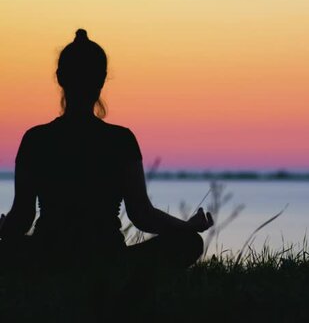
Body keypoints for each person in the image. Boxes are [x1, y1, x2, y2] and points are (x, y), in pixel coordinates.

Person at [0, 29, 213, 272]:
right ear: (101, 80)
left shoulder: (36, 139)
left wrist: (5, 232)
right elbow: (141, 215)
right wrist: (186, 227)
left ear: (60, 78)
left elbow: (22, 216)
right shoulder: (121, 140)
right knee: (189, 243)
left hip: (48, 259)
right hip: (110, 261)